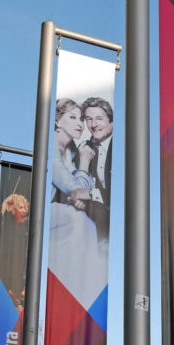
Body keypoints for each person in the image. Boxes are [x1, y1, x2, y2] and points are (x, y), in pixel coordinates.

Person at [48, 98, 102, 307]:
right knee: (79, 218)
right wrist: (85, 163)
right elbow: (75, 188)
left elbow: (85, 190)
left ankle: (83, 280)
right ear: (57, 120)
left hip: (65, 210)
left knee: (83, 218)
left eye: (81, 118)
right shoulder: (51, 146)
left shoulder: (71, 150)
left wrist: (79, 197)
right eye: (72, 117)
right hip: (44, 214)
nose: (80, 123)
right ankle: (75, 281)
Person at [77, 97, 113, 246]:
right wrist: (84, 162)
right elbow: (74, 190)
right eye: (89, 119)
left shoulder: (121, 147)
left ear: (111, 121)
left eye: (99, 118)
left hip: (117, 227)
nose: (94, 125)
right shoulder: (84, 148)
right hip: (91, 230)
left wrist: (91, 193)